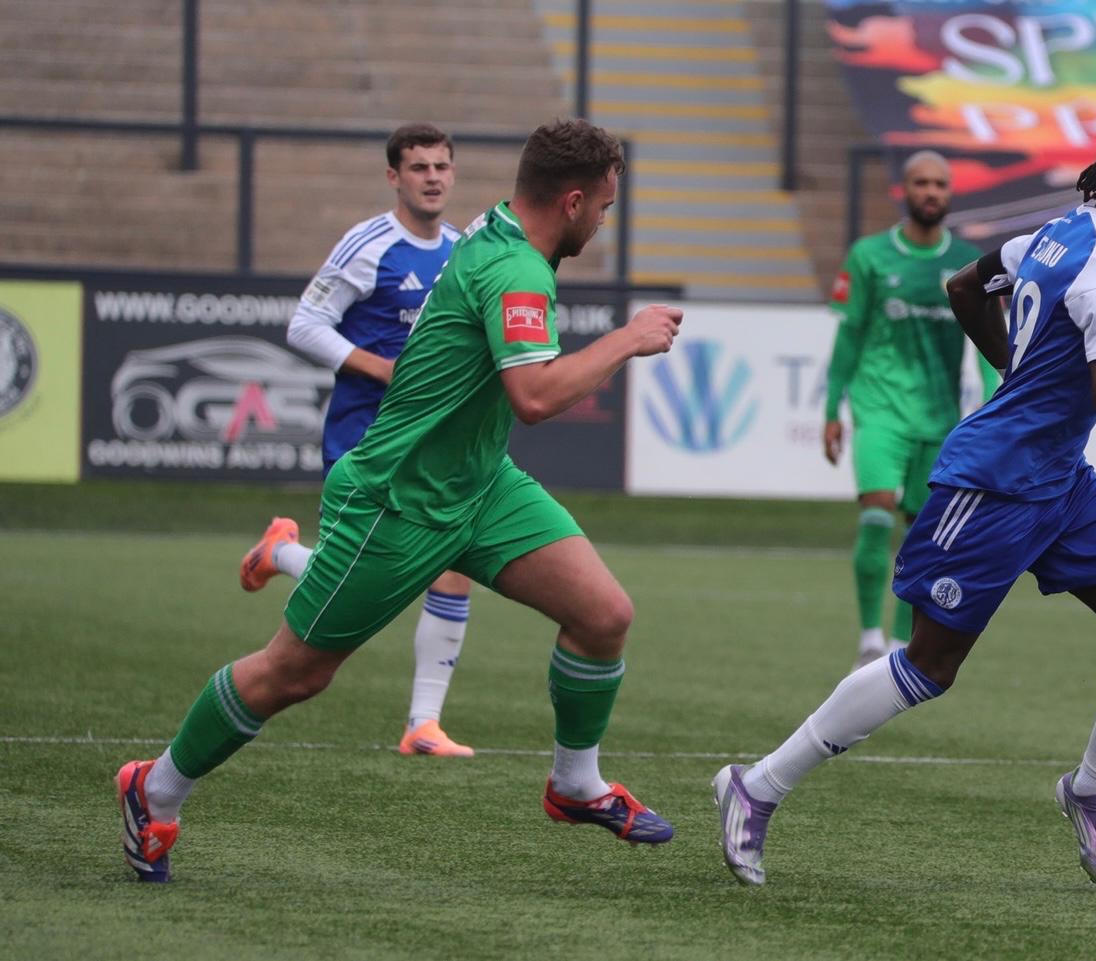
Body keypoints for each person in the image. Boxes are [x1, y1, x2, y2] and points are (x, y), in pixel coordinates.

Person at [713, 116, 1096, 888]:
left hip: (1060, 478)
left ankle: (1087, 789)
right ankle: (756, 785)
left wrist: (1015, 371)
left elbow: (965, 287)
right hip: (994, 483)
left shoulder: (1059, 233)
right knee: (930, 665)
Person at [116, 118, 684, 883]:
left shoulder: (495, 228)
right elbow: (535, 398)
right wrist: (629, 337)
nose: (605, 220)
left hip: (480, 485)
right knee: (294, 672)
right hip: (398, 497)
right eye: (605, 206)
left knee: (604, 614)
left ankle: (575, 784)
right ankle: (153, 789)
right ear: (574, 201)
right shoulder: (516, 268)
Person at [238, 122, 477, 757]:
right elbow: (304, 324)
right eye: (419, 167)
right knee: (361, 579)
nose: (432, 177)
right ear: (394, 176)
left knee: (453, 562)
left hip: (434, 441)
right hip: (366, 436)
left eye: (442, 166)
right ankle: (281, 553)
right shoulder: (369, 244)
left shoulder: (462, 250)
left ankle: (423, 724)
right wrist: (382, 368)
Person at [824, 150, 1001, 672]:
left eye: (940, 185)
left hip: (939, 418)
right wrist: (832, 406)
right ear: (904, 190)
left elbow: (990, 343)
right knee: (877, 511)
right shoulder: (869, 255)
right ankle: (869, 638)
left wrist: (994, 399)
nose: (931, 192)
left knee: (922, 532)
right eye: (921, 183)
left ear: (949, 194)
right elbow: (850, 336)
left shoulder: (969, 262)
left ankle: (900, 642)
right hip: (878, 409)